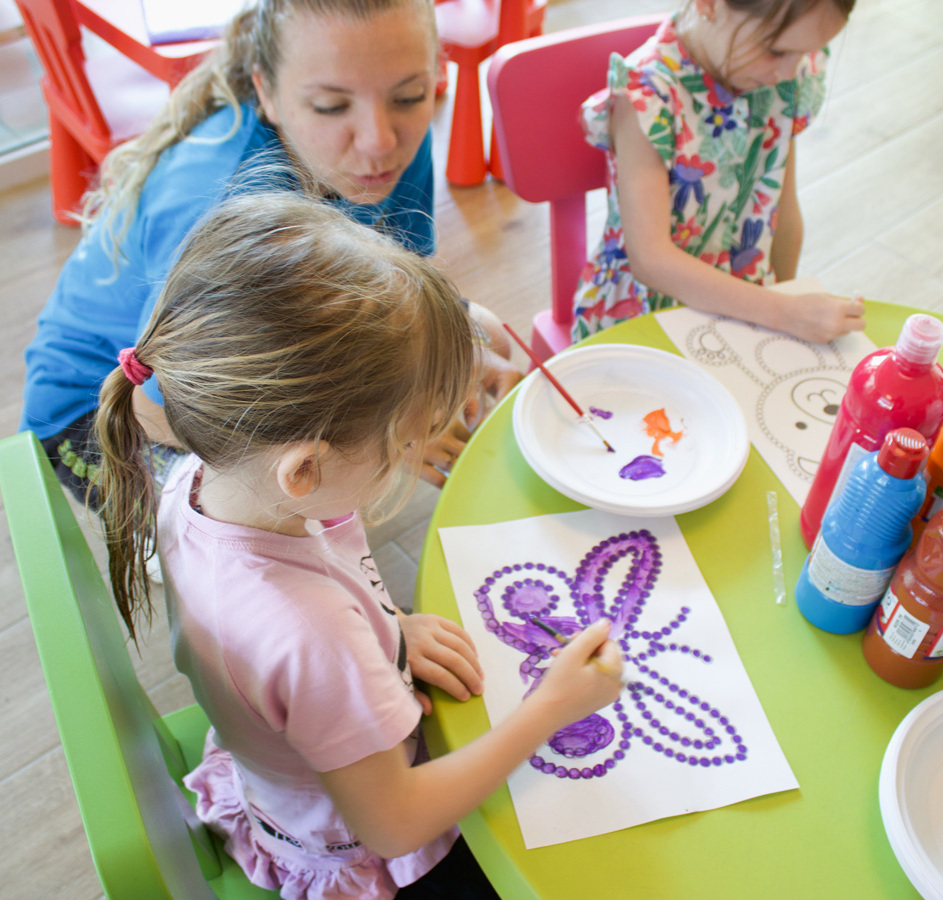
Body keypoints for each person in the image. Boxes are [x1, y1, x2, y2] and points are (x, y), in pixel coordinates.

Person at [93, 191, 624, 900]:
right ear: (305, 470)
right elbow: (395, 824)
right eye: (401, 440)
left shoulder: (208, 471)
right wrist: (549, 710)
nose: (413, 450)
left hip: (295, 772)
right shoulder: (312, 636)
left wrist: (392, 630)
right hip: (363, 849)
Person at [20, 0, 519, 500]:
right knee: (280, 498)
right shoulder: (219, 205)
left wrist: (454, 354)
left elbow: (405, 287)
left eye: (410, 96)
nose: (379, 141)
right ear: (268, 93)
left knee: (482, 334)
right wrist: (386, 433)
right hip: (109, 410)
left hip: (258, 338)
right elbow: (168, 405)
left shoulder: (387, 147)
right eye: (331, 106)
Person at [571, 0, 866, 344]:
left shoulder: (782, 78)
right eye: (775, 51)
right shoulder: (648, 94)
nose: (789, 72)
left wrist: (791, 304)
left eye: (804, 53)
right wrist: (784, 312)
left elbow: (783, 215)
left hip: (752, 307)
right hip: (643, 312)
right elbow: (650, 259)